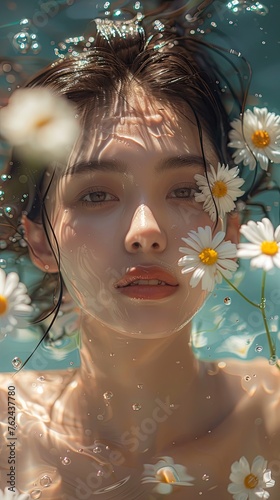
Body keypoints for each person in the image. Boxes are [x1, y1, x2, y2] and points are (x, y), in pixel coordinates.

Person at [0, 10, 279, 500]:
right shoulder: (7, 434)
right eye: (95, 195)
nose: (146, 233)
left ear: (230, 230)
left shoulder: (273, 422)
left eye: (188, 190)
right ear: (42, 242)